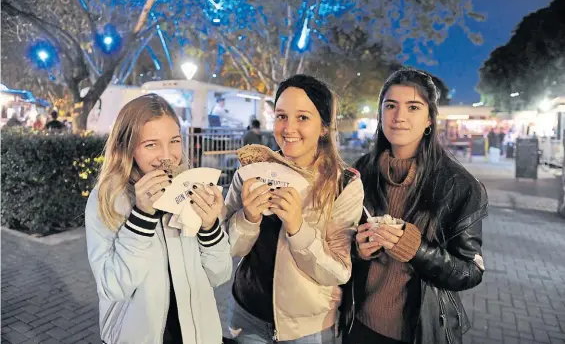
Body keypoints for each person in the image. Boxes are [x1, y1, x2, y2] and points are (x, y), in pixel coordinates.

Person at [341, 69, 488, 344]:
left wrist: (416, 249)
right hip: (357, 325)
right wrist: (357, 249)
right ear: (380, 114)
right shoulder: (362, 172)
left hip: (420, 332)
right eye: (391, 106)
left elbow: (470, 271)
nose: (399, 117)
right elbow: (341, 239)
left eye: (413, 107)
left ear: (429, 118)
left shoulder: (459, 186)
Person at [224, 75, 364, 343]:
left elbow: (338, 271)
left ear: (323, 127)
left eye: (302, 118)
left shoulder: (344, 184)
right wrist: (248, 219)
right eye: (281, 116)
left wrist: (298, 228)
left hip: (308, 329)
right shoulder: (251, 170)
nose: (288, 128)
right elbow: (226, 249)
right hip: (247, 317)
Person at [84, 94, 232, 344]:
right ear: (127, 146)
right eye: (151, 144)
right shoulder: (108, 199)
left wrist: (210, 228)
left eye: (174, 141)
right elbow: (112, 287)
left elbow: (220, 275)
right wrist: (142, 216)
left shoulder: (191, 188)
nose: (167, 156)